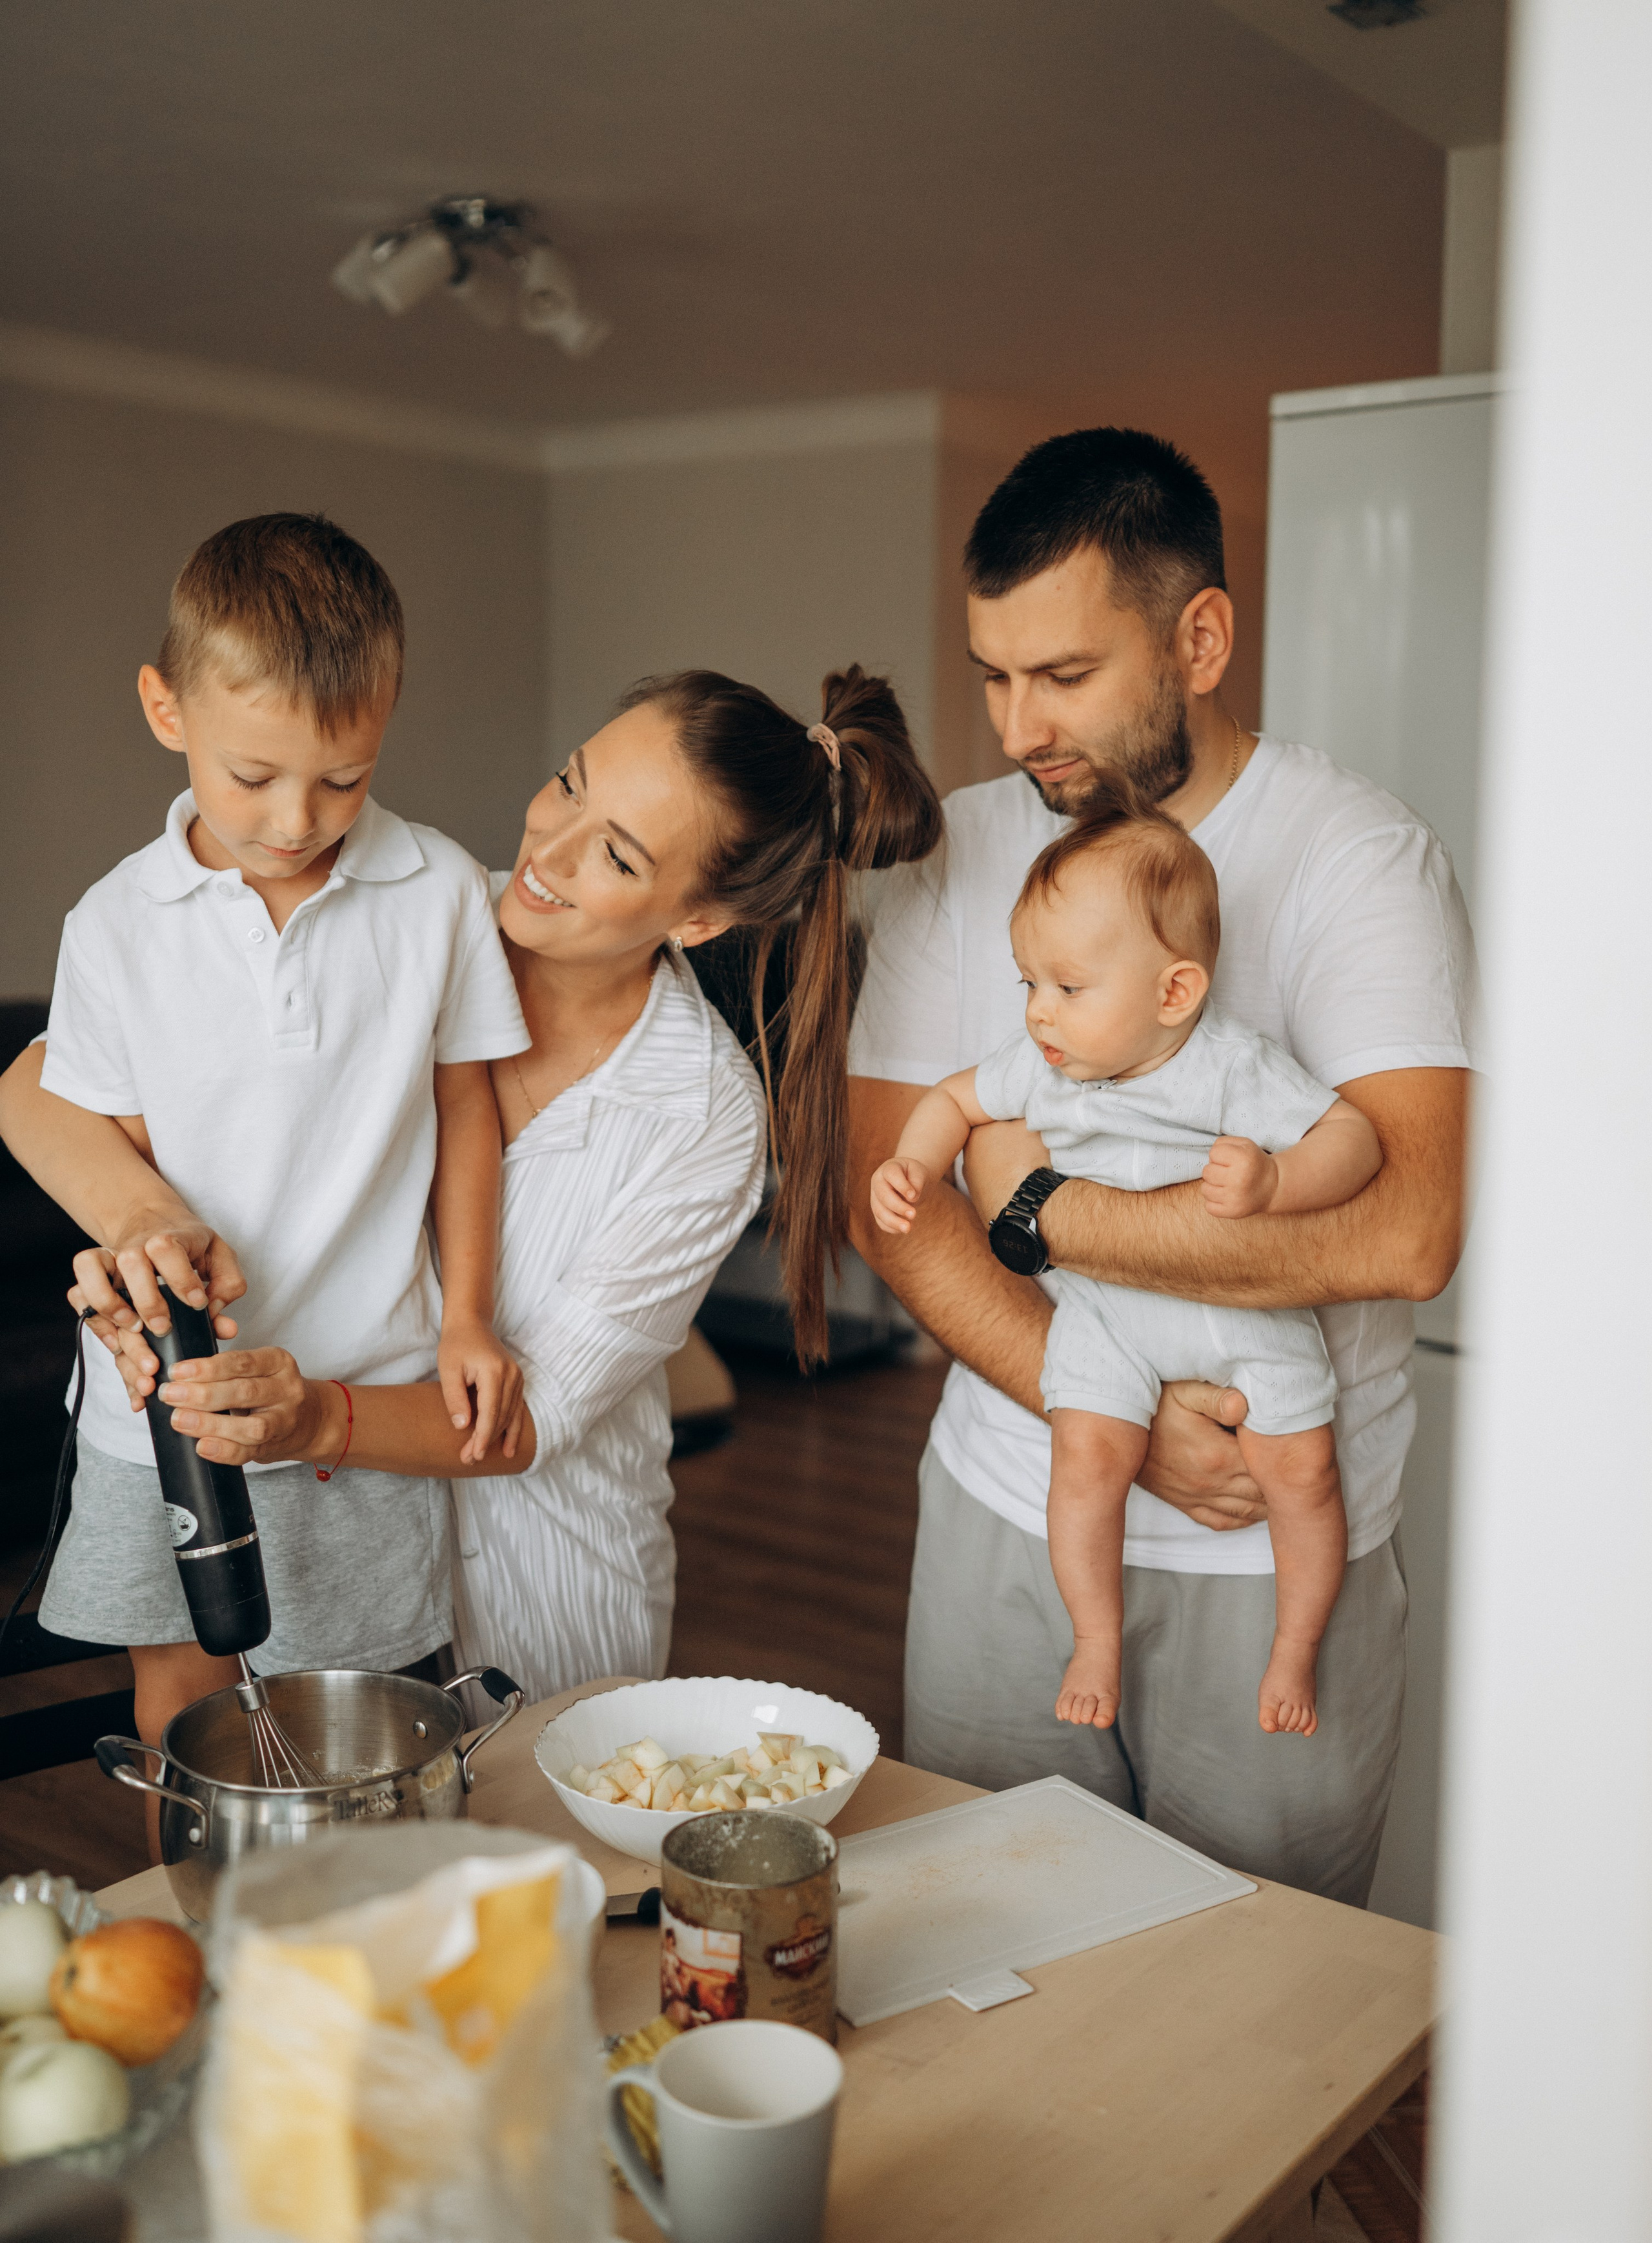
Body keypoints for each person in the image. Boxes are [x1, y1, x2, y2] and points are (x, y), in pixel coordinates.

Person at [847, 428, 1476, 1906]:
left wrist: (1037, 1207)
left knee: (1264, 1997)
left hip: (1271, 1550)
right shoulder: (961, 850)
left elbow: (1407, 1232)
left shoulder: (1356, 859)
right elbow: (883, 1191)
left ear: (1197, 637)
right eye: (992, 674)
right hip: (1010, 1507)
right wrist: (1099, 1395)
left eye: (1061, 678)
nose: (1012, 727)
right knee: (979, 1944)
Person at [76, 667, 943, 1705]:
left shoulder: (705, 1118)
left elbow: (525, 1422)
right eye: (568, 785)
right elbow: (54, 1084)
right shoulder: (402, 915)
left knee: (539, 1864)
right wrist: (137, 1223)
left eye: (618, 854)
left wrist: (313, 1419)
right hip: (316, 1549)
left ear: (700, 921)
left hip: (547, 1592)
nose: (550, 851)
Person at [0, 514, 529, 1795]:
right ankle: (200, 1961)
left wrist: (465, 1314)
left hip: (358, 1392)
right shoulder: (115, 925)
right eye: (256, 777)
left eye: (343, 779)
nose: (298, 819)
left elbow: (468, 1110)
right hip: (161, 1416)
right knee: (182, 1703)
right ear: (163, 707)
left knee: (371, 1721)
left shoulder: (441, 891)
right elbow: (106, 1156)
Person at [869, 783, 1382, 1739]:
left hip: (1242, 1317)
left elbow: (1350, 1138)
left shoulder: (1233, 1065)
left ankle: (1294, 1650)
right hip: (1102, 1317)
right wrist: (913, 1159)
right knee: (1088, 1461)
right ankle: (1094, 1640)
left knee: (1302, 1475)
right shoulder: (1047, 1062)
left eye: (1067, 987)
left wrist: (1278, 1184)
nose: (1039, 1015)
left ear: (1174, 992)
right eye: (1028, 984)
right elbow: (954, 1099)